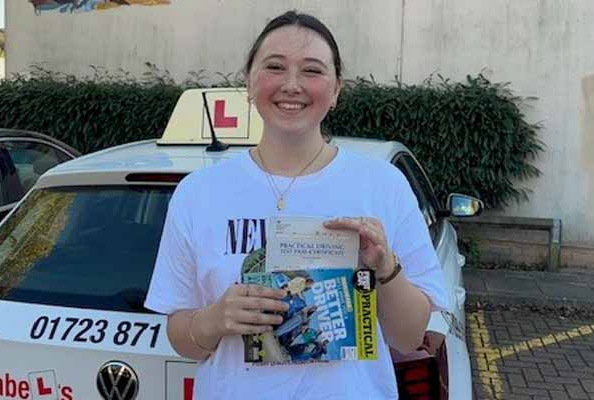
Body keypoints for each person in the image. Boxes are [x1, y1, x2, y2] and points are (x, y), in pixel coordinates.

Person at [145, 10, 449, 399]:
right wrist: (215, 319)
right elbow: (181, 340)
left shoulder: (383, 185)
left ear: (336, 90)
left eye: (312, 70)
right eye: (275, 67)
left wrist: (385, 269)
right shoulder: (198, 192)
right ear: (249, 82)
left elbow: (408, 337)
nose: (292, 85)